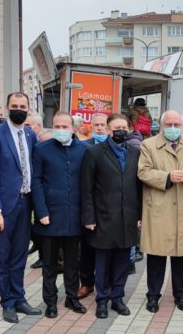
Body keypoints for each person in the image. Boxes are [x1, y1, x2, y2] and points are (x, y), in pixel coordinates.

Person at [0, 92, 42, 323]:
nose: (19, 109)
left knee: (19, 254)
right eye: (14, 105)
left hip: (25, 203)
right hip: (4, 207)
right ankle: (6, 302)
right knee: (3, 256)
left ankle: (19, 297)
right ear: (7, 107)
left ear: (28, 108)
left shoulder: (29, 135)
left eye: (23, 105)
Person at [137, 110, 183, 313]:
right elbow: (143, 171)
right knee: (156, 257)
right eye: (169, 124)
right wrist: (166, 176)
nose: (173, 128)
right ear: (161, 124)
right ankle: (153, 296)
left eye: (177, 125)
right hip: (159, 207)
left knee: (181, 257)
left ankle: (180, 295)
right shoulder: (148, 145)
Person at [81, 113, 142, 319]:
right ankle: (101, 300)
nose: (121, 131)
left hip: (128, 217)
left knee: (123, 261)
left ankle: (117, 298)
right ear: (108, 130)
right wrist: (89, 217)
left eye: (124, 128)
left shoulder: (135, 153)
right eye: (117, 128)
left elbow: (139, 186)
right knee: (103, 262)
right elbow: (86, 188)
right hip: (103, 217)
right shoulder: (94, 152)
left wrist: (140, 214)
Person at [30, 112, 88, 318]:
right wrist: (42, 211)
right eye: (57, 126)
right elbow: (35, 181)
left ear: (73, 128)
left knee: (73, 262)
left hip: (74, 216)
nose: (61, 130)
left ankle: (72, 298)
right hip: (50, 217)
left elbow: (88, 184)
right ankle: (51, 302)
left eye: (65, 126)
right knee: (50, 264)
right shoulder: (42, 149)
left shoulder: (84, 149)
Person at [77, 112, 109, 300]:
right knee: (87, 248)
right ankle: (86, 283)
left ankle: (105, 284)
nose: (99, 128)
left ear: (108, 127)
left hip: (108, 206)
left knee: (106, 249)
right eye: (96, 124)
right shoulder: (83, 146)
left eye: (102, 125)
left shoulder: (114, 146)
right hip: (90, 204)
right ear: (91, 125)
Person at [24, 111, 45, 270]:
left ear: (38, 127)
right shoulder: (26, 139)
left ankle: (42, 254)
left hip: (40, 190)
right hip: (26, 189)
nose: (25, 128)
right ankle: (37, 244)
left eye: (28, 126)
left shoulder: (45, 140)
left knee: (40, 222)